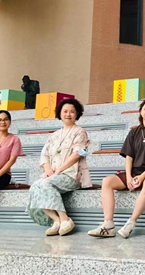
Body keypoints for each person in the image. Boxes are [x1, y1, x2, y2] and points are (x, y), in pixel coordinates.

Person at [87, 98, 145, 238]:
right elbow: (129, 157)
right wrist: (129, 176)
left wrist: (143, 176)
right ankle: (108, 225)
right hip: (135, 171)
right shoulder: (133, 132)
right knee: (107, 181)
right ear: (140, 111)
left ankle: (131, 222)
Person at [27, 98, 91, 236]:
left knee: (45, 184)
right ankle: (56, 221)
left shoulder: (80, 132)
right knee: (35, 187)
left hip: (71, 175)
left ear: (77, 114)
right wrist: (48, 169)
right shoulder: (54, 135)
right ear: (60, 113)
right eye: (65, 111)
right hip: (53, 174)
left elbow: (77, 154)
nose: (68, 114)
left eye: (72, 111)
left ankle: (65, 218)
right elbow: (44, 155)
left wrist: (60, 169)